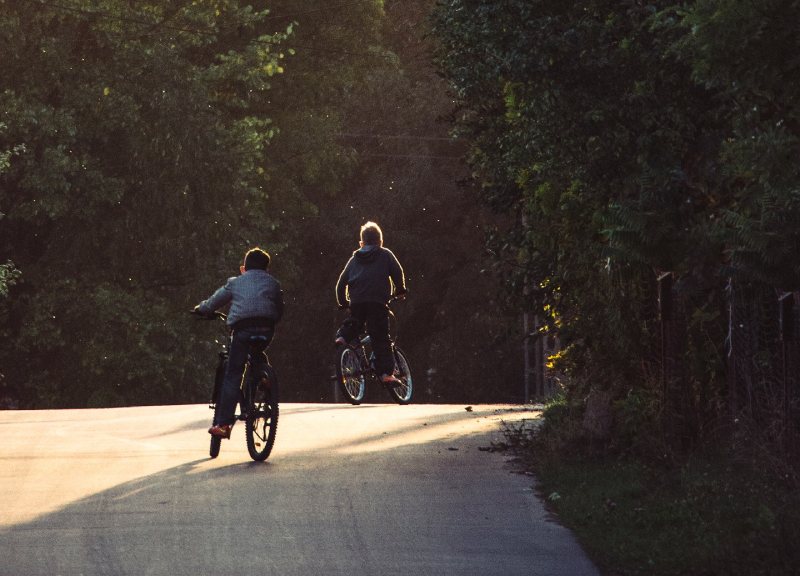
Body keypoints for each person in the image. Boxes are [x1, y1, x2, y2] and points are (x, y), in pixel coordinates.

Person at [194, 247, 284, 439]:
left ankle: (224, 424)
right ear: (266, 268)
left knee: (234, 372)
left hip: (243, 330)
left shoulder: (235, 282)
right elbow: (279, 308)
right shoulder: (273, 283)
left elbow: (213, 302)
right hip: (267, 329)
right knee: (258, 350)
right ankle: (264, 378)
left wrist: (201, 309)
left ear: (244, 267)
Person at [335, 221, 407, 384]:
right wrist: (400, 289)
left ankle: (343, 337)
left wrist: (344, 302)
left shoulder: (354, 259)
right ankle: (386, 374)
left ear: (361, 243)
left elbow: (341, 283)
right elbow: (397, 271)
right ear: (381, 241)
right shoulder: (385, 254)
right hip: (377, 302)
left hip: (357, 301)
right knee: (380, 337)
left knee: (355, 324)